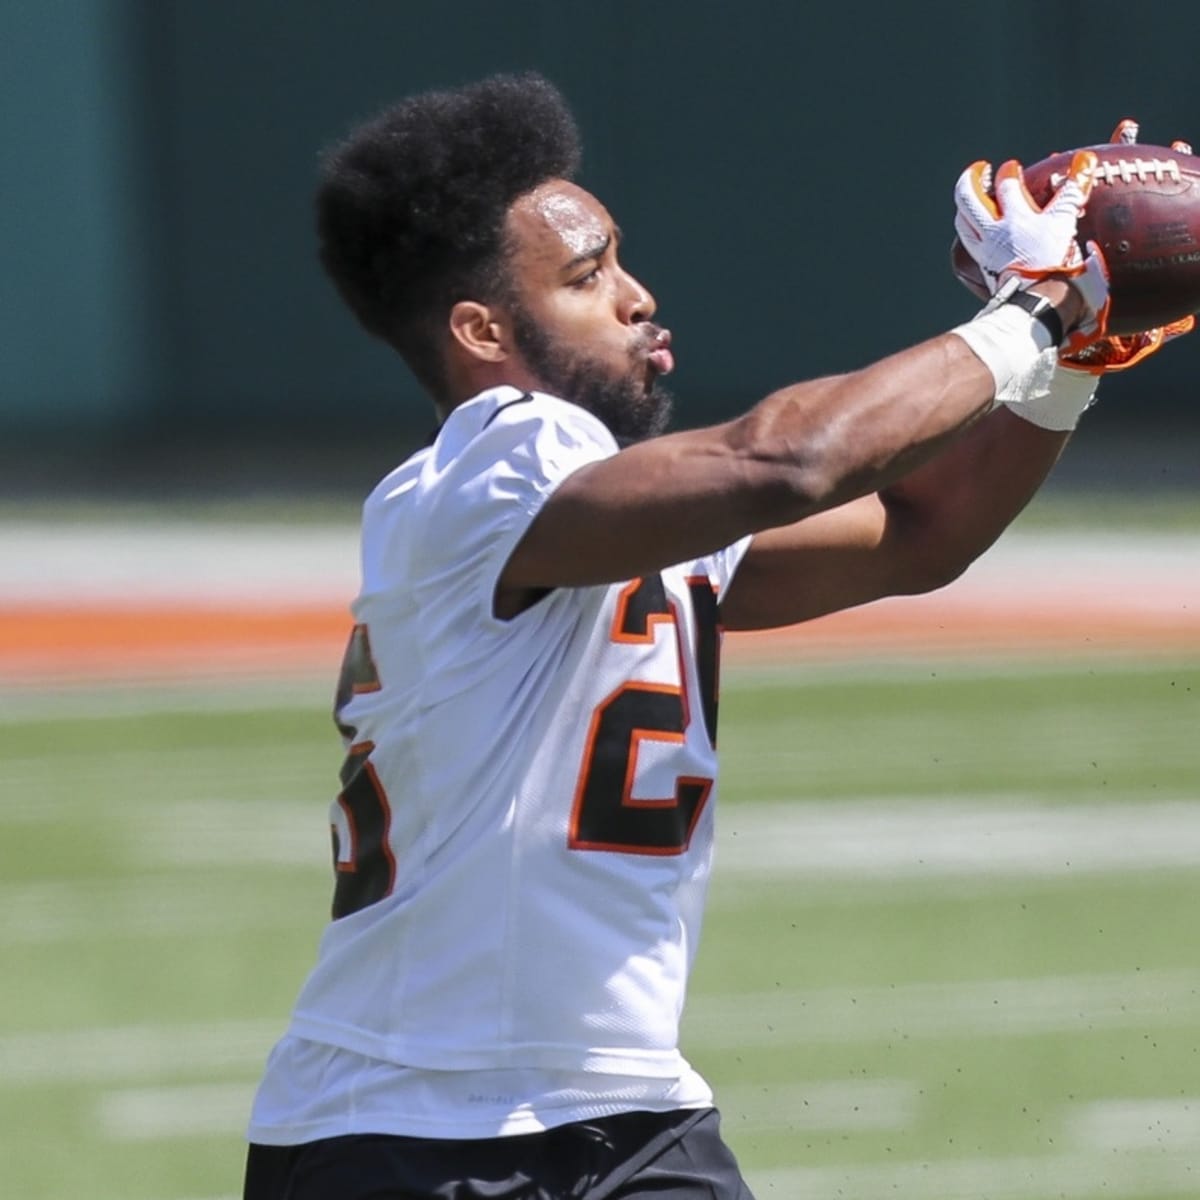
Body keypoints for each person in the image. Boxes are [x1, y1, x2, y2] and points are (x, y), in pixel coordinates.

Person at [243, 77, 1190, 1199]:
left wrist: (1064, 368)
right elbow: (788, 463)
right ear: (482, 329)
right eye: (589, 276)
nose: (639, 297)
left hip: (630, 1113)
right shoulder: (493, 459)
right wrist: (1029, 312)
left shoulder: (608, 500)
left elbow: (920, 532)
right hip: (407, 1126)